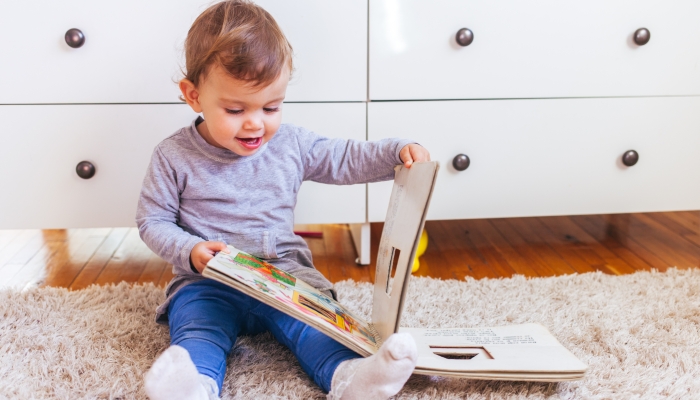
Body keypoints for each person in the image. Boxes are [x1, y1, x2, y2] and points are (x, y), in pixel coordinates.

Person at [137, 1, 431, 399]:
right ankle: (194, 386)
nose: (256, 122)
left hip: (284, 277)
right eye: (236, 109)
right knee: (198, 328)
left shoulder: (289, 143)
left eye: (271, 106)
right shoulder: (172, 156)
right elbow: (152, 221)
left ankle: (351, 377)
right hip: (207, 281)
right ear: (193, 95)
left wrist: (396, 151)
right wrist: (190, 250)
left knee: (315, 329)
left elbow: (344, 158)